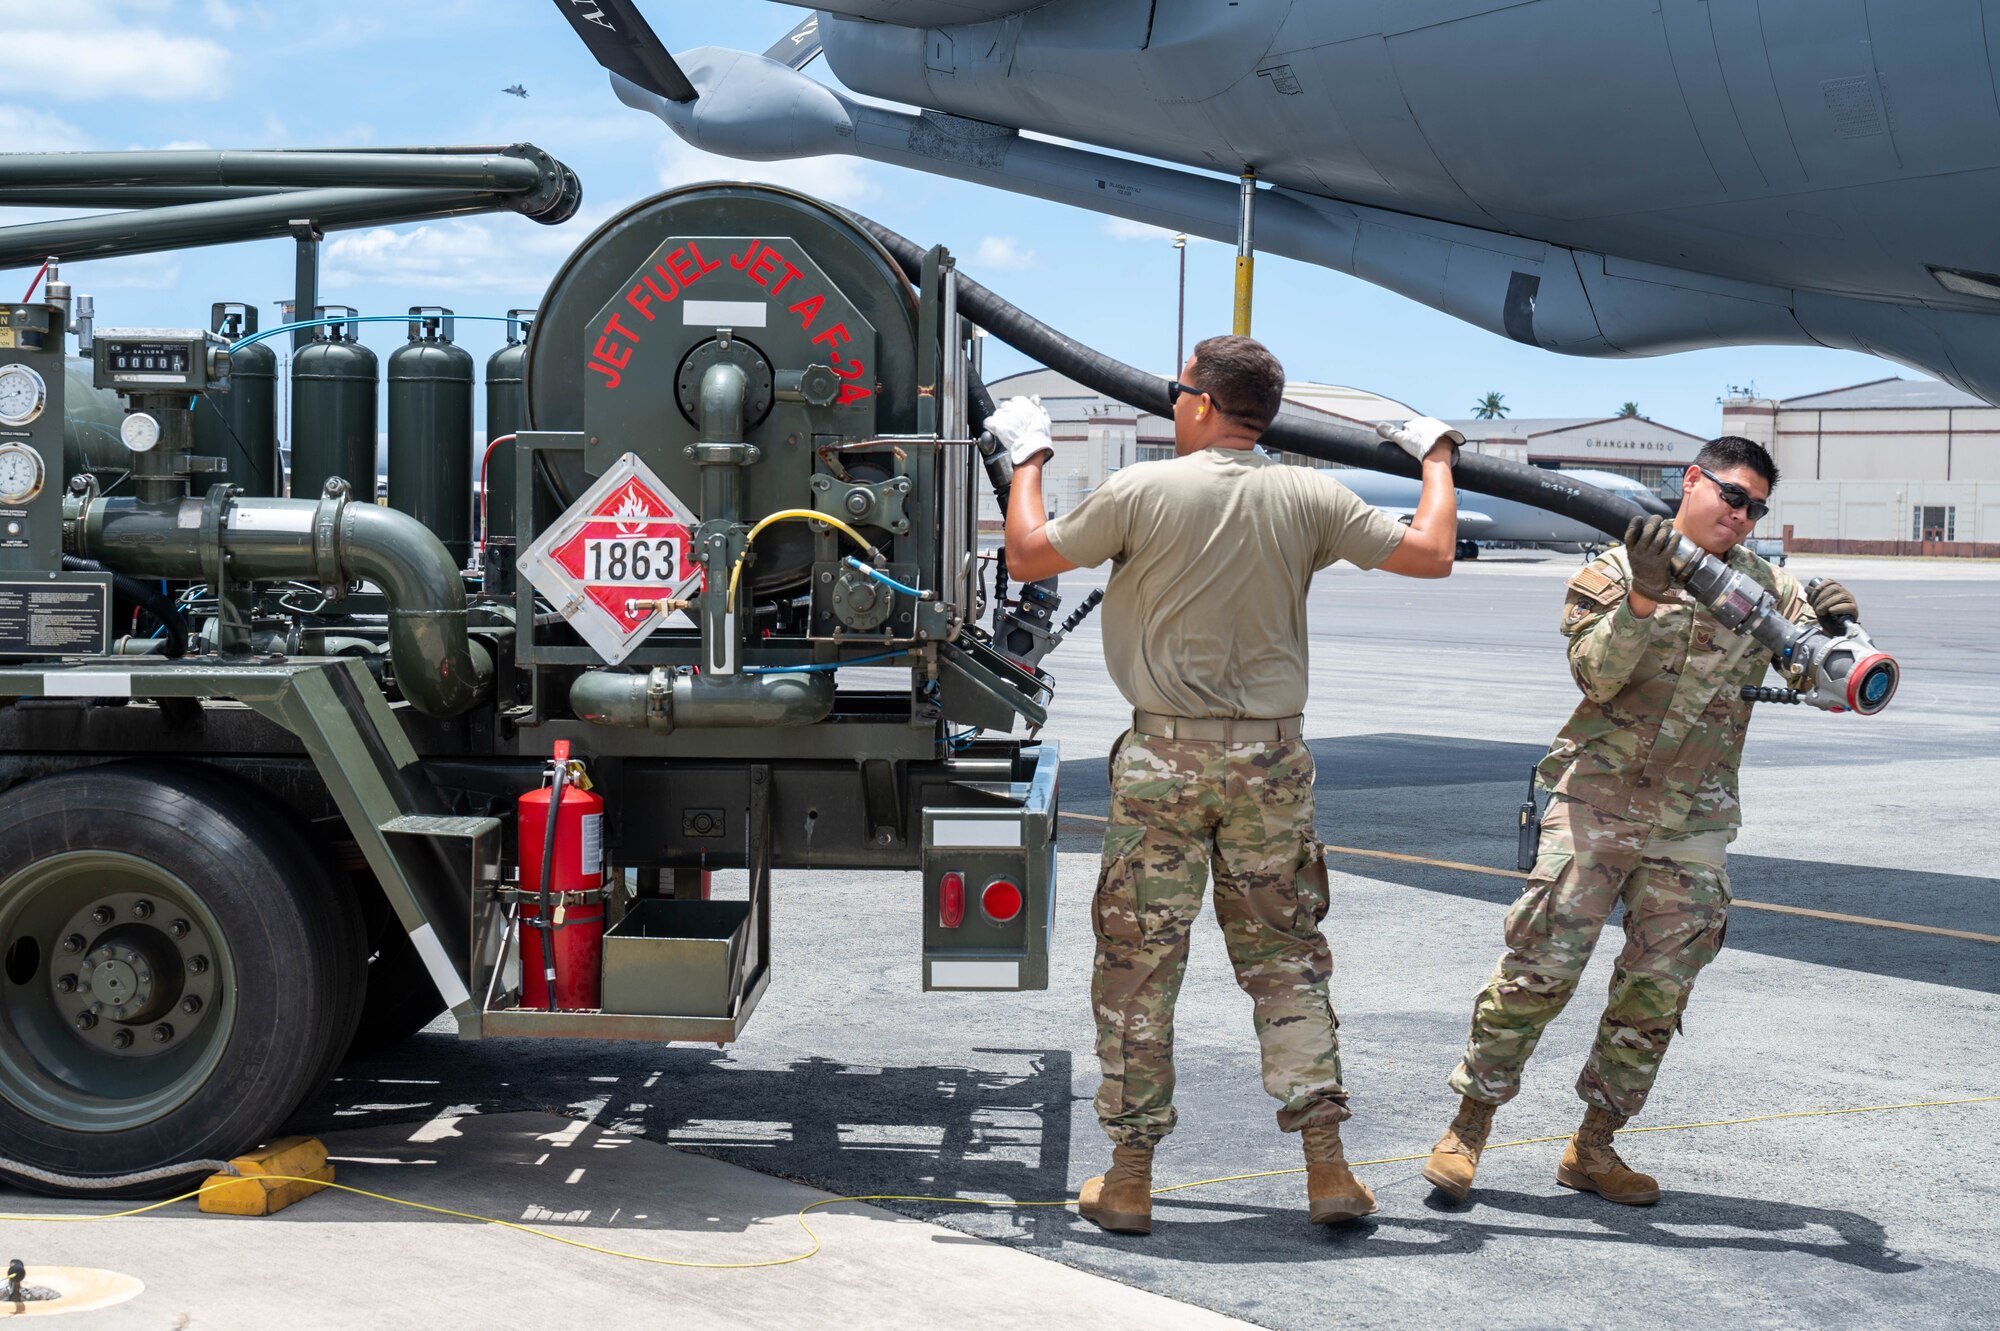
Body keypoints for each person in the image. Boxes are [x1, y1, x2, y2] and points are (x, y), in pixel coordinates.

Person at [990, 335, 1462, 1234]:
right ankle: (1327, 1169)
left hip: (1164, 761)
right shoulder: (1311, 495)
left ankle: (1129, 1178)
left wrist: (1030, 456)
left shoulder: (1142, 491)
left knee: (1140, 968)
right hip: (1272, 763)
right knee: (1286, 960)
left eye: (1179, 392)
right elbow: (1434, 552)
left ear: (1203, 402)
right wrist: (1435, 455)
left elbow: (1026, 555)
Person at [1422, 436, 1860, 1207]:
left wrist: (1842, 636)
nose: (1743, 516)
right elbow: (1597, 673)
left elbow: (1830, 685)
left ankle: (1594, 1146)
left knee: (1657, 992)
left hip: (1692, 819)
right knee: (1539, 970)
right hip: (1598, 801)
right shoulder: (1614, 571)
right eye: (1732, 496)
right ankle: (1469, 1127)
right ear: (1691, 483)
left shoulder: (1764, 591)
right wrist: (1644, 599)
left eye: (1757, 507)